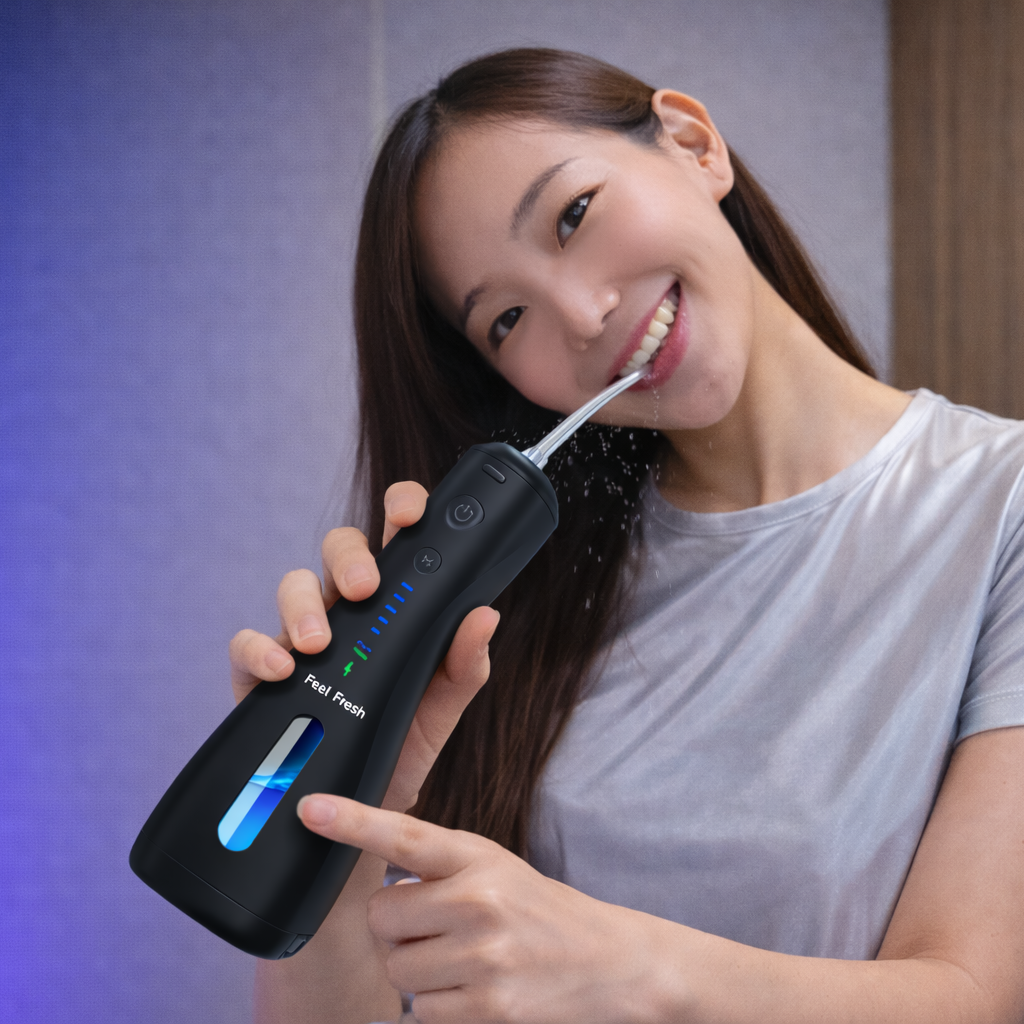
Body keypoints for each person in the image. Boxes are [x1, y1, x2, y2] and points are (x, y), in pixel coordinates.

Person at [228, 49, 1024, 1023]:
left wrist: (624, 964)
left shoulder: (999, 509)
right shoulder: (511, 597)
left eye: (572, 215)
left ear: (692, 143)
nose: (585, 313)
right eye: (508, 318)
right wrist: (333, 819)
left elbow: (972, 996)